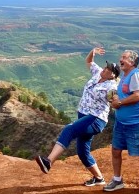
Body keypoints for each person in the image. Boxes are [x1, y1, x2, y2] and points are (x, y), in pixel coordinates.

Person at [34, 47, 119, 186]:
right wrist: (93, 51)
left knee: (69, 129)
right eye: (106, 67)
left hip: (96, 119)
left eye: (108, 70)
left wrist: (116, 100)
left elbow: (114, 98)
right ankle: (99, 178)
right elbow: (89, 61)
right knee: (82, 151)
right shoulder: (98, 73)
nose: (105, 69)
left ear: (113, 75)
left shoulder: (111, 86)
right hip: (84, 116)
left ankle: (48, 162)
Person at [103, 50, 139, 193]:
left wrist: (119, 103)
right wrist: (114, 99)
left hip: (137, 124)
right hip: (122, 123)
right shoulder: (126, 76)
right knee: (116, 150)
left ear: (132, 62)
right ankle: (117, 180)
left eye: (124, 58)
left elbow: (138, 96)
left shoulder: (135, 74)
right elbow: (125, 95)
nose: (120, 59)